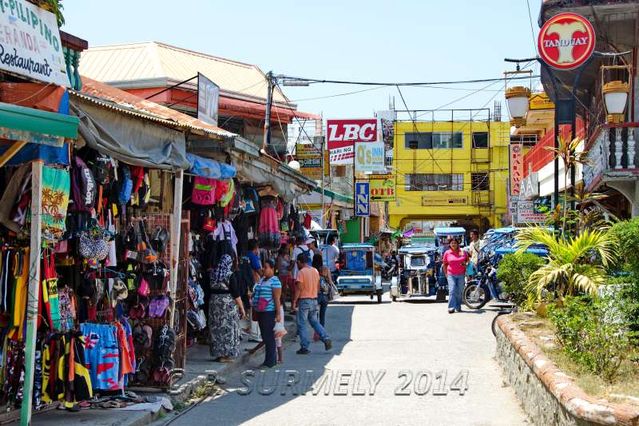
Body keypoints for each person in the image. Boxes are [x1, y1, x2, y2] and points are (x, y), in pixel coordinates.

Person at [208, 254, 246, 362]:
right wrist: (242, 308)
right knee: (228, 328)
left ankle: (218, 353)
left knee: (216, 328)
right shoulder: (229, 275)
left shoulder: (213, 274)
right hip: (227, 305)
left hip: (214, 304)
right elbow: (236, 293)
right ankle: (226, 355)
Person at [293, 253, 332, 354]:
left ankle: (304, 346)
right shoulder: (315, 271)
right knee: (314, 322)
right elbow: (318, 287)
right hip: (314, 299)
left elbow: (299, 289)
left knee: (302, 324)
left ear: (299, 262)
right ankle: (326, 337)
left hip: (304, 300)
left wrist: (294, 301)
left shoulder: (301, 272)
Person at [251, 259, 282, 368]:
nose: (263, 269)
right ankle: (270, 360)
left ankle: (270, 361)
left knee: (268, 336)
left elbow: (277, 299)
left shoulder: (275, 281)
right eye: (263, 267)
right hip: (260, 311)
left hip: (269, 312)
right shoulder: (262, 280)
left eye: (266, 267)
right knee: (265, 335)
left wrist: (278, 314)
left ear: (272, 269)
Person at [442, 237, 468, 314]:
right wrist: (446, 274)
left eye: (455, 243)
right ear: (449, 244)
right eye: (452, 243)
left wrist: (465, 264)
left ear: (457, 244)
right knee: (452, 290)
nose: (453, 244)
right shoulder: (447, 253)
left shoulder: (462, 251)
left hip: (461, 274)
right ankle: (451, 307)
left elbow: (467, 260)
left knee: (459, 291)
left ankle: (458, 306)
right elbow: (444, 264)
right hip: (451, 274)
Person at [312, 253, 333, 328]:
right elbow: (330, 282)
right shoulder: (325, 269)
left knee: (314, 315)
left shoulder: (312, 270)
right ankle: (322, 331)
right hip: (325, 295)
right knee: (322, 315)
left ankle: (317, 331)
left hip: (315, 294)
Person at [276, 245, 293, 311]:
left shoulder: (288, 256)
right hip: (281, 276)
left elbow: (290, 267)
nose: (287, 250)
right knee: (282, 291)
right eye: (286, 249)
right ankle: (283, 304)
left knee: (287, 291)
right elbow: (277, 268)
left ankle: (286, 304)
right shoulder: (279, 257)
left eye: (287, 249)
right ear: (282, 249)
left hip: (288, 275)